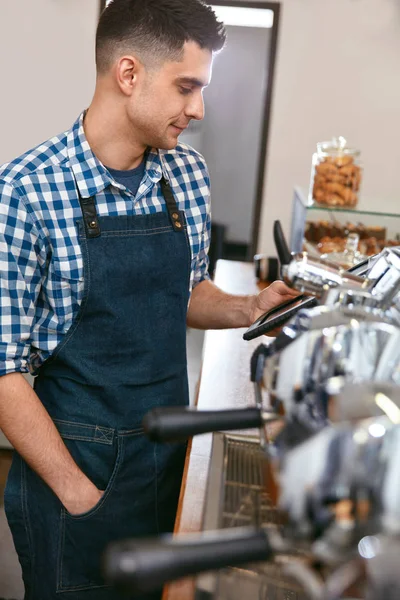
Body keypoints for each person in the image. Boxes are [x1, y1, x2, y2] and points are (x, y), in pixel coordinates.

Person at [0, 1, 299, 598]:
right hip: (78, 469)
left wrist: (247, 308)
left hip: (169, 453)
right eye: (186, 86)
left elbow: (185, 291)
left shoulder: (186, 172)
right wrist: (80, 495)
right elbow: (3, 371)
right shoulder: (26, 191)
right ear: (129, 74)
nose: (199, 108)